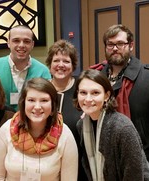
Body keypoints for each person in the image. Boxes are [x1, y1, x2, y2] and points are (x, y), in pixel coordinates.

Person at [92, 24, 149, 180]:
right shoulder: (96, 78)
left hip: (147, 167)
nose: (115, 48)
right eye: (110, 44)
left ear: (130, 45)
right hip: (105, 165)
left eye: (120, 44)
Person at [73, 69, 149, 180]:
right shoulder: (81, 125)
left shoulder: (122, 128)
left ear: (106, 96)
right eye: (83, 93)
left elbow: (134, 176)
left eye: (95, 93)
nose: (88, 99)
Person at [0, 77, 78, 180]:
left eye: (44, 100)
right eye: (31, 100)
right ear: (23, 103)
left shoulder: (65, 135)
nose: (37, 106)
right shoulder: (7, 129)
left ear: (53, 106)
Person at [0, 25, 51, 110]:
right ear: (8, 43)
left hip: (31, 121)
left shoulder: (43, 71)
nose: (21, 45)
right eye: (16, 40)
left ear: (32, 44)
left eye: (26, 41)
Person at [45, 39, 86, 181]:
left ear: (73, 65)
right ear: (49, 64)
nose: (61, 65)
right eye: (56, 60)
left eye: (66, 61)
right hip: (46, 163)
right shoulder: (41, 90)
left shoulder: (83, 89)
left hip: (80, 163)